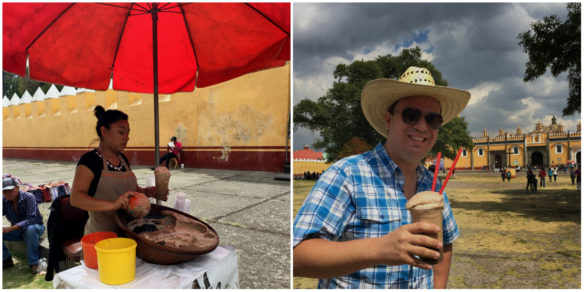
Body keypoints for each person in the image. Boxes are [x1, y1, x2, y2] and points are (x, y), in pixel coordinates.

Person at [293, 66, 469, 288]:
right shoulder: (347, 174)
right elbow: (297, 256)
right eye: (411, 114)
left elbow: (445, 243)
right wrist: (380, 249)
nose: (422, 126)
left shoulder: (432, 184)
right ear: (388, 120)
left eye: (433, 119)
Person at [71, 106, 157, 235]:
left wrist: (143, 191)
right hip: (100, 238)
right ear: (104, 131)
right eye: (121, 132)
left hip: (127, 232)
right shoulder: (90, 160)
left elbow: (125, 188)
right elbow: (76, 198)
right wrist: (113, 205)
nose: (127, 137)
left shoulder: (122, 159)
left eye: (128, 133)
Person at [3, 177, 47, 274]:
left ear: (17, 188)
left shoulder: (29, 197)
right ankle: (5, 259)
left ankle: (34, 264)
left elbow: (31, 219)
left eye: (10, 190)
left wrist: (11, 228)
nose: (8, 193)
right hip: (17, 231)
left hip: (35, 227)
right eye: (5, 191)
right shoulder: (3, 201)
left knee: (30, 229)